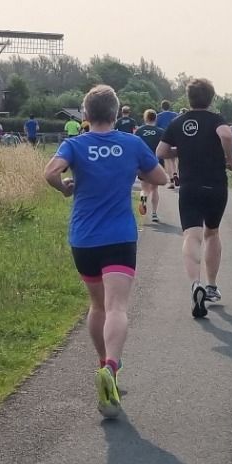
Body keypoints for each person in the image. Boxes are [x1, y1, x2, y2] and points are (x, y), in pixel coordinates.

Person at [44, 86, 167, 419]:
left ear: (85, 115)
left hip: (84, 238)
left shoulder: (74, 144)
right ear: (116, 114)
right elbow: (161, 177)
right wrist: (135, 169)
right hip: (119, 237)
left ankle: (102, 363)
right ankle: (112, 367)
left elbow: (50, 172)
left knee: (97, 305)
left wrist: (65, 188)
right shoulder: (131, 143)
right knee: (117, 307)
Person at [157, 78, 232, 319]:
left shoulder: (178, 122)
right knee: (212, 232)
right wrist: (229, 159)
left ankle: (195, 284)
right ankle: (211, 286)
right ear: (211, 98)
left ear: (188, 98)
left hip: (190, 186)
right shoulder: (216, 120)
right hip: (215, 185)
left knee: (192, 235)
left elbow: (160, 152)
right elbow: (227, 136)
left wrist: (181, 149)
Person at [135, 109, 165, 223]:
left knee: (144, 188)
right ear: (155, 119)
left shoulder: (139, 131)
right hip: (156, 163)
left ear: (145, 118)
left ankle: (143, 200)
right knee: (155, 188)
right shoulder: (160, 131)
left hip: (143, 163)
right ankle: (154, 213)